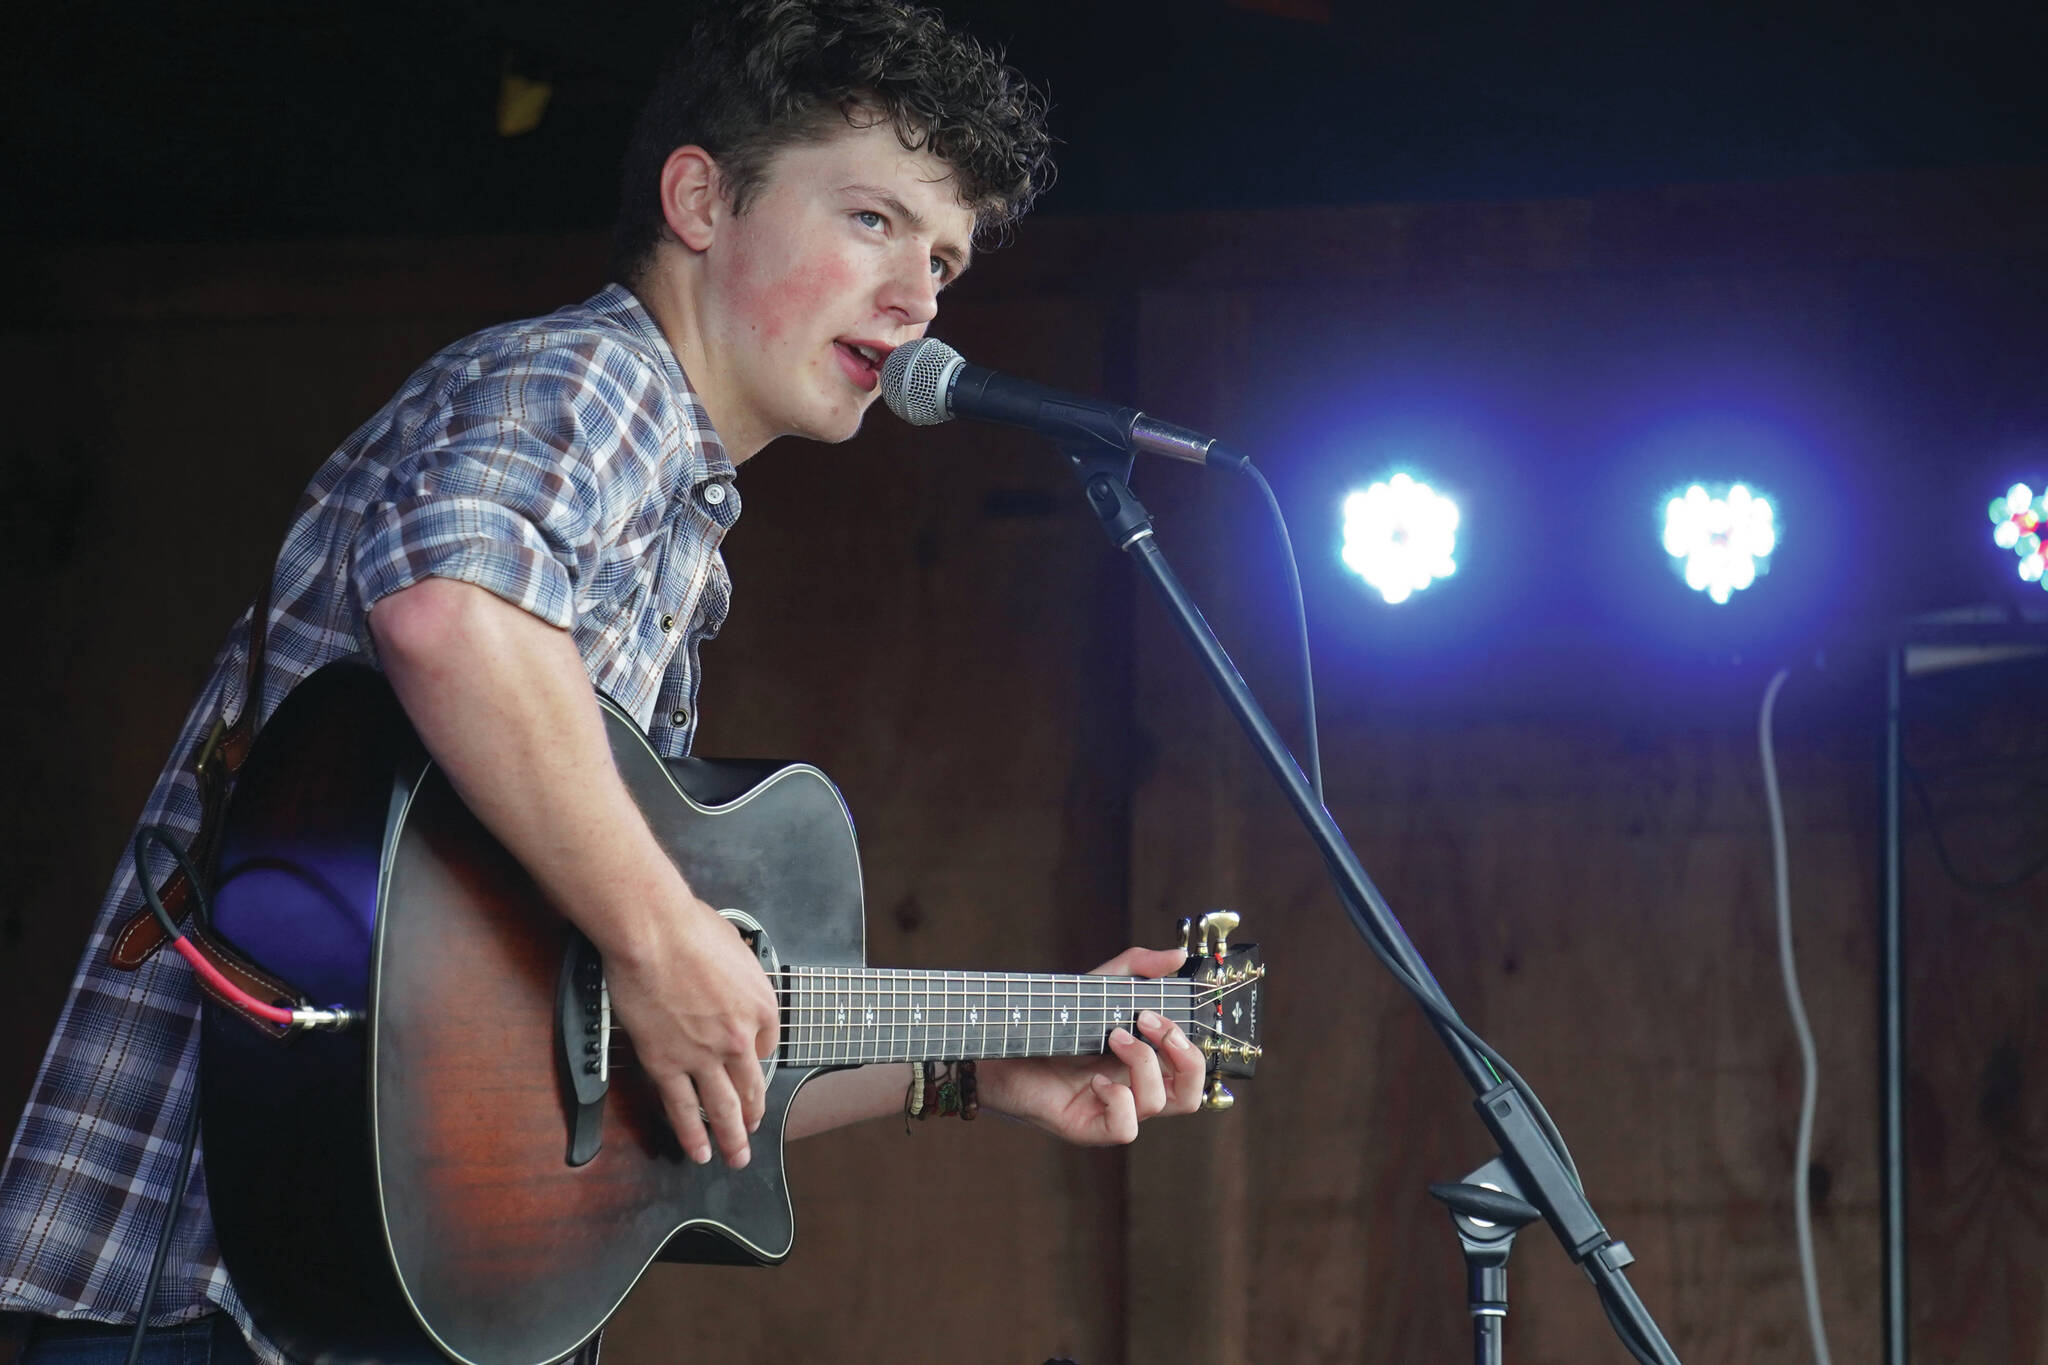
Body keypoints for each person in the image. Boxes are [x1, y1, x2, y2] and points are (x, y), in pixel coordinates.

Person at [0, 3, 1208, 1360]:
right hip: (211, 1297)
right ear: (700, 198)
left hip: (312, 1291)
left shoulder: (672, 521)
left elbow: (618, 1058)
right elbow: (447, 609)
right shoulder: (598, 379)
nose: (921, 300)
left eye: (945, 258)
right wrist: (662, 932)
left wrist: (966, 1065)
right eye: (873, 220)